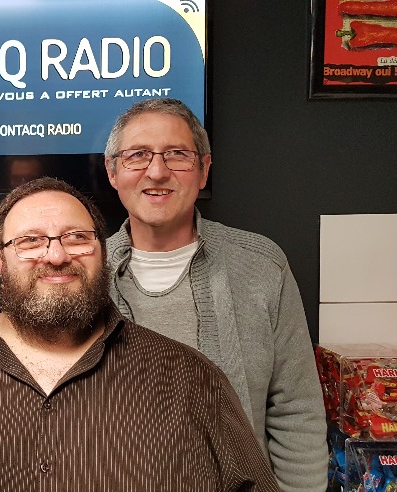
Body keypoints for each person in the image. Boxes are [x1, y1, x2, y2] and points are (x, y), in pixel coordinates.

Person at [0, 177, 279, 491]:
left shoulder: (191, 377)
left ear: (102, 253)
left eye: (77, 237)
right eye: (30, 241)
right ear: (0, 262)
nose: (56, 256)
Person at [103, 97, 326, 491]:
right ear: (113, 172)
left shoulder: (261, 265)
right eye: (138, 155)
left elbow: (297, 409)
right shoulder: (79, 275)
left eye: (177, 154)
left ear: (204, 170)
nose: (157, 171)